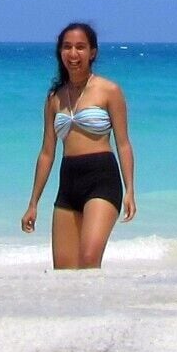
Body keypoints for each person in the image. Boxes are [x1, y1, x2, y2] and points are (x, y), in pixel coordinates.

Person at [19, 22, 137, 269]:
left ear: (92, 52)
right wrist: (33, 203)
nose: (73, 54)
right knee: (63, 271)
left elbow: (123, 143)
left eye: (80, 47)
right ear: (60, 52)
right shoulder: (54, 98)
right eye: (67, 47)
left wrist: (130, 190)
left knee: (89, 260)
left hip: (102, 179)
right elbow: (47, 153)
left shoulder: (109, 90)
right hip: (68, 181)